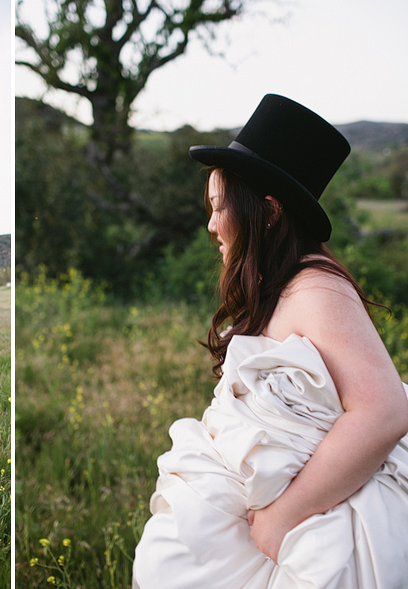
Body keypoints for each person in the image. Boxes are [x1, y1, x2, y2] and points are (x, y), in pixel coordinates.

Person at [131, 94, 408, 588]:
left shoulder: (316, 286)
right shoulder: (282, 288)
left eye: (220, 207)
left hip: (304, 531)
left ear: (270, 210)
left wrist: (282, 517)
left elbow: (384, 411)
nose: (212, 225)